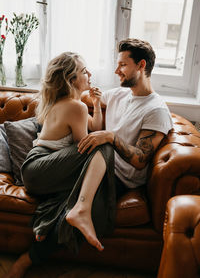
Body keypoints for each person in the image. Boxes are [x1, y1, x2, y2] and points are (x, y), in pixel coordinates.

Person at [6, 52, 116, 278]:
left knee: (99, 151)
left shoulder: (69, 103)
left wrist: (95, 103)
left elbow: (93, 128)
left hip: (40, 171)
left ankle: (33, 252)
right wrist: (106, 138)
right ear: (71, 79)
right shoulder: (75, 107)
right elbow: (87, 145)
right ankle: (82, 210)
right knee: (103, 147)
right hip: (40, 168)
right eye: (84, 71)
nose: (90, 74)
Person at [78, 38, 173, 197]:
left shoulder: (156, 110)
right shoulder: (118, 94)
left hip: (118, 178)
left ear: (141, 65)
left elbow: (140, 160)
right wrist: (90, 93)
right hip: (99, 163)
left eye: (123, 65)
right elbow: (82, 97)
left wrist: (111, 137)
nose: (116, 71)